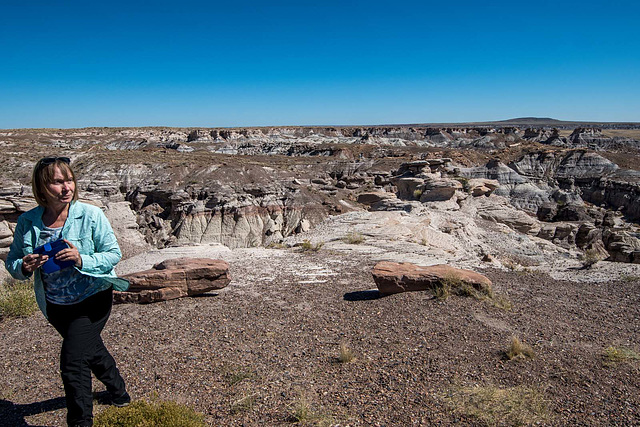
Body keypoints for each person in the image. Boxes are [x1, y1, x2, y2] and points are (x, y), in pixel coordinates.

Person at [5, 156, 131, 427]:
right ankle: (119, 392)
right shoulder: (28, 222)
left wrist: (81, 258)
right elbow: (13, 261)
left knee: (73, 362)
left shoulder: (90, 215)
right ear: (42, 187)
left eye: (70, 180)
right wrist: (24, 266)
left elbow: (113, 254)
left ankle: (80, 421)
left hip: (94, 297)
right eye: (57, 182)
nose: (66, 188)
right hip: (57, 306)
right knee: (91, 350)